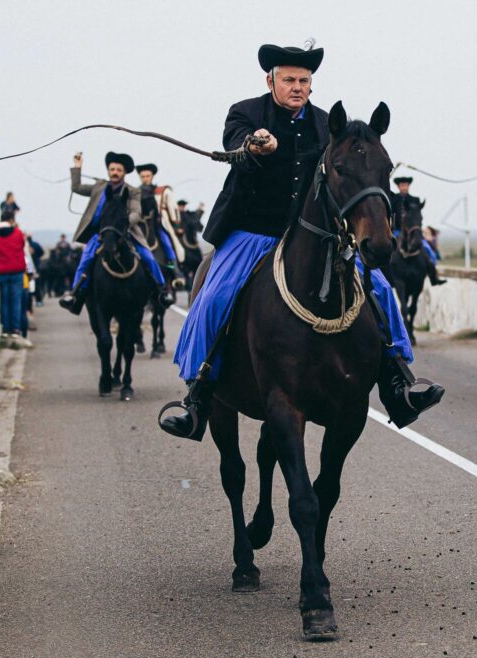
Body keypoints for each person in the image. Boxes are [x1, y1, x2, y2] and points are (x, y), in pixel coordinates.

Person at [161, 41, 444, 441]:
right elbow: (235, 144)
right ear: (271, 80)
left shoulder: (327, 124)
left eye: (304, 80)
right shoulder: (246, 113)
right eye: (289, 79)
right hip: (252, 230)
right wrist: (254, 145)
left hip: (310, 233)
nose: (297, 86)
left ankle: (398, 379)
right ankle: (198, 395)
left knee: (379, 287)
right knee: (214, 296)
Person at [58, 151, 166, 314]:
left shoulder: (133, 191)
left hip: (126, 232)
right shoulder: (99, 187)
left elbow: (136, 212)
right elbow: (76, 187)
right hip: (100, 233)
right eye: (112, 169)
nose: (115, 172)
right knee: (85, 260)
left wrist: (122, 224)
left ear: (124, 173)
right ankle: (75, 295)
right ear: (108, 170)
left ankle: (161, 291)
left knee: (149, 257)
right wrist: (77, 168)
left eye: (118, 170)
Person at [0, 210, 33, 349]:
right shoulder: (17, 233)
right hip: (17, 271)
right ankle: (15, 329)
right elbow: (22, 246)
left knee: (4, 301)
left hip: (1, 272)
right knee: (16, 300)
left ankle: (5, 329)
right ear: (11, 220)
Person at [391, 176, 446, 285]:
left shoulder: (415, 200)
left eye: (406, 185)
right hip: (397, 231)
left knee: (428, 250)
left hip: (413, 233)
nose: (404, 187)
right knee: (387, 250)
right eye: (402, 185)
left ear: (408, 186)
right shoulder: (393, 199)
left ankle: (433, 276)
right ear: (398, 187)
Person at [135, 162, 181, 272]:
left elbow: (172, 209)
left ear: (152, 177)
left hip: (157, 224)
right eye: (143, 176)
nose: (145, 179)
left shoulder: (160, 191)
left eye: (147, 176)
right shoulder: (135, 192)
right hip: (139, 224)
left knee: (166, 242)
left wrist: (175, 224)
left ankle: (175, 270)